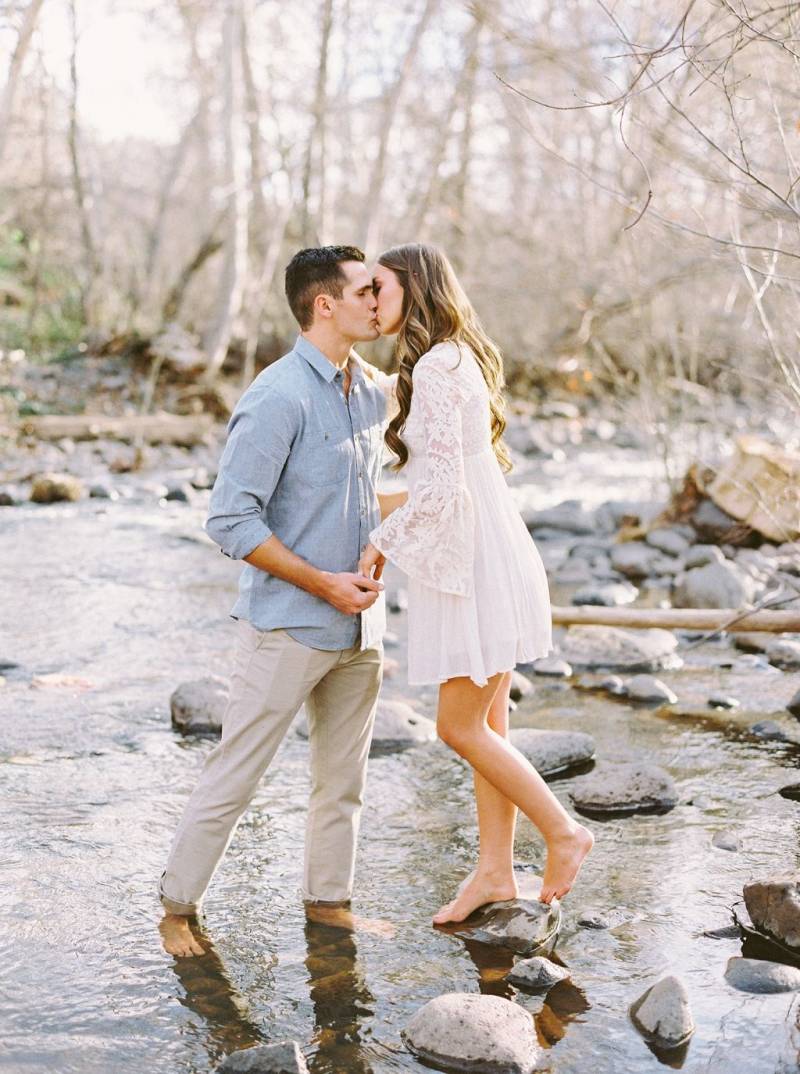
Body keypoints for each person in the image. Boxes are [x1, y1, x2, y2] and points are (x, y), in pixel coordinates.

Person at [159, 245, 392, 957]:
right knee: (237, 773)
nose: (378, 301)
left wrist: (388, 538)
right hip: (289, 626)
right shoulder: (277, 395)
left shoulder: (376, 390)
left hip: (362, 628)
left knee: (343, 784)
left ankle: (328, 907)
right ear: (326, 305)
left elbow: (376, 491)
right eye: (365, 290)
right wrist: (321, 581)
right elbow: (230, 519)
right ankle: (176, 910)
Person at [357, 243, 594, 923]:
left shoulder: (436, 367)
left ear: (415, 286)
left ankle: (564, 832)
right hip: (486, 553)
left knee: (458, 728)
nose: (374, 300)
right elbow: (446, 480)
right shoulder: (454, 357)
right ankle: (494, 871)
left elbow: (437, 493)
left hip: (475, 566)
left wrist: (377, 542)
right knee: (490, 722)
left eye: (381, 287)